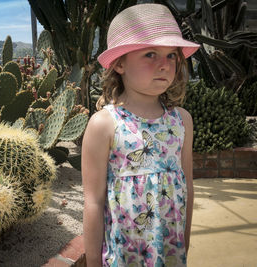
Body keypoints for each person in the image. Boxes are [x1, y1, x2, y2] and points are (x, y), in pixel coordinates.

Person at [82, 3, 200, 267]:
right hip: (124, 257)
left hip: (170, 253)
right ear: (120, 63)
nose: (164, 65)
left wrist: (185, 243)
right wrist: (92, 262)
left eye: (171, 55)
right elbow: (93, 200)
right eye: (150, 54)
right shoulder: (104, 124)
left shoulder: (182, 121)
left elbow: (187, 187)